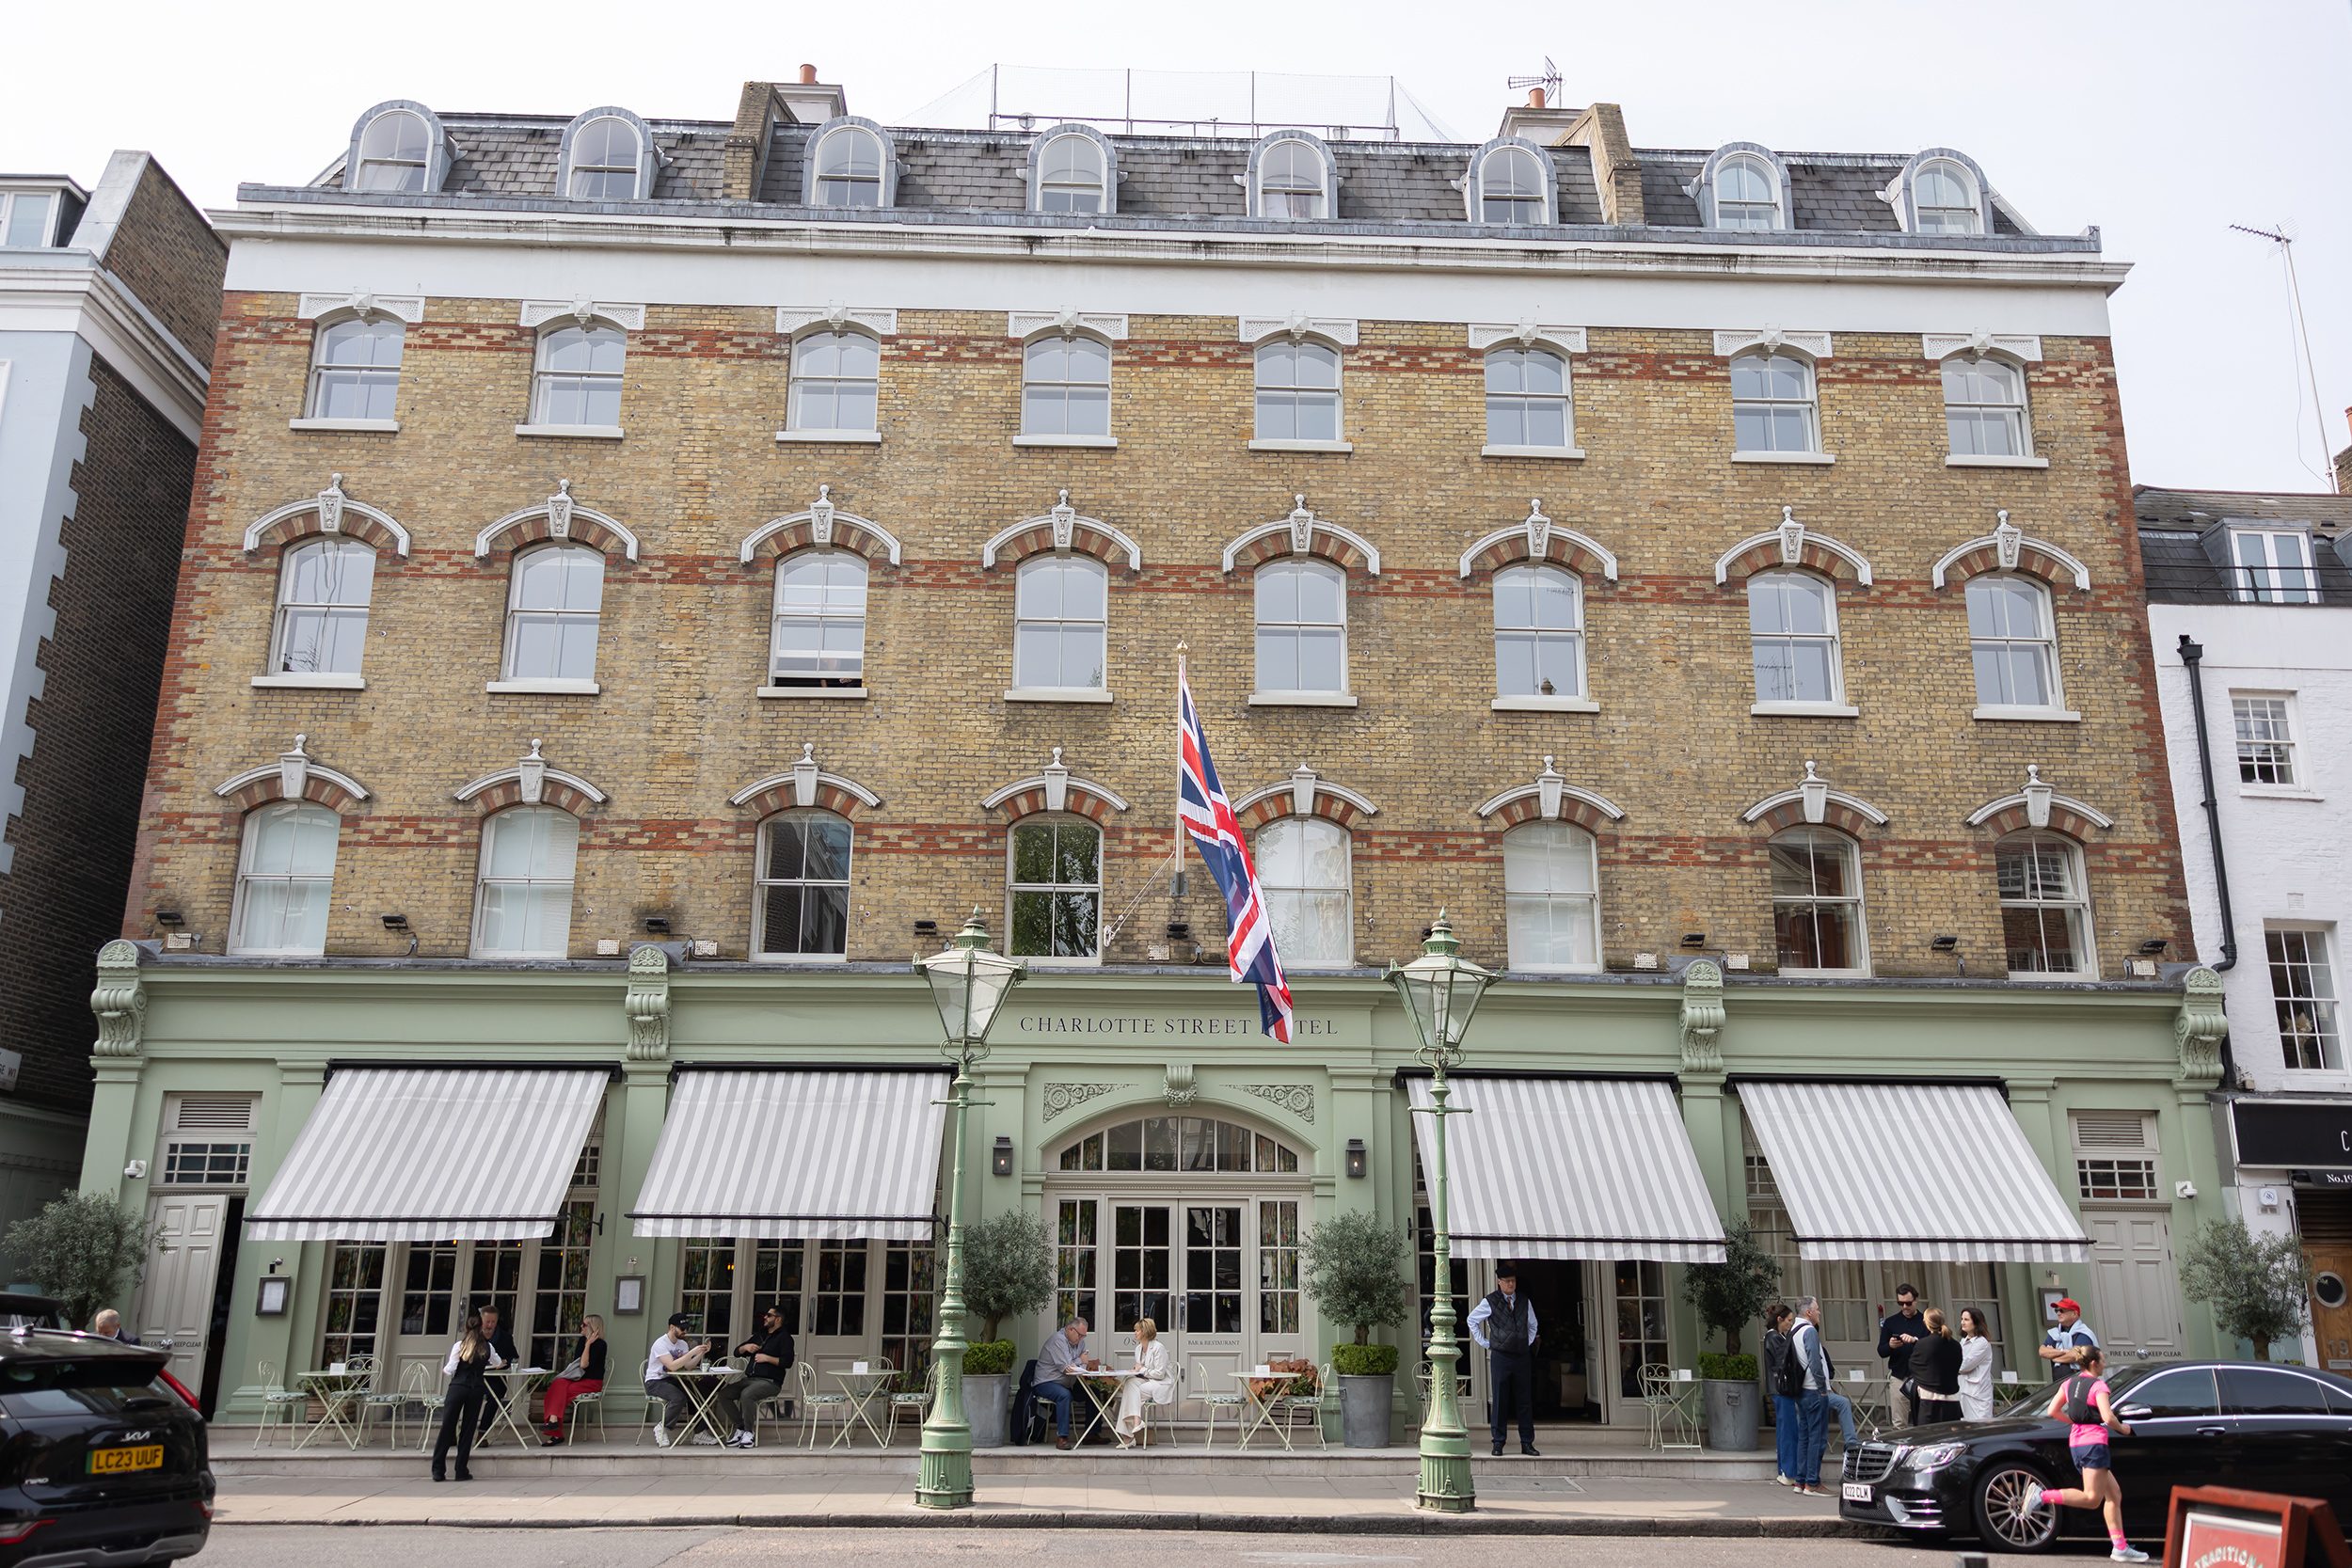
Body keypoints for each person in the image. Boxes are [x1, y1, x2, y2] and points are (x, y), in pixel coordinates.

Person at [2024, 1345, 2148, 1562]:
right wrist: (2124, 1429)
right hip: (2093, 1443)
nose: (2105, 1364)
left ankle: (2120, 1547)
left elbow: (2053, 1410)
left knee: (2114, 1494)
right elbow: (2108, 1418)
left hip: (2077, 1442)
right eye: (2102, 1360)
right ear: (2093, 1363)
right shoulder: (2099, 1386)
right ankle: (2042, 1496)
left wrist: (2075, 1422)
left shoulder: (2069, 1383)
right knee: (2091, 1498)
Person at [1466, 1261, 1539, 1457]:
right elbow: (1472, 1320)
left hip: (1521, 1356)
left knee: (1524, 1400)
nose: (1511, 1284)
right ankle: (1498, 1442)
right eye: (1507, 1281)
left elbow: (1533, 1325)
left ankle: (1527, 1443)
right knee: (1500, 1399)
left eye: (1513, 1281)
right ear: (1499, 1282)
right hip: (1501, 1356)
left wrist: (1526, 1343)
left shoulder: (1524, 1300)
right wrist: (1485, 1343)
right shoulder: (1490, 1301)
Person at [431, 1307, 502, 1482]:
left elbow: (449, 1369)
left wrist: (445, 1370)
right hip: (476, 1389)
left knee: (448, 1427)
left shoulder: (460, 1345)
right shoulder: (488, 1347)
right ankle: (461, 1470)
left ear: (467, 1329)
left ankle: (438, 1470)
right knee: (468, 1430)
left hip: (458, 1387)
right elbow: (498, 1362)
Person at [723, 1303, 795, 1449]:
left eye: (769, 1315)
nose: (765, 1317)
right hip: (750, 1379)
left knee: (747, 1394)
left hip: (770, 1382)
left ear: (778, 1319)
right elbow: (736, 1352)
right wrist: (745, 1347)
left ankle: (749, 1432)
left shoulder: (785, 1338)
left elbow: (788, 1362)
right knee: (724, 1394)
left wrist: (767, 1358)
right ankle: (740, 1427)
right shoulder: (760, 1335)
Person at [644, 1312, 716, 1447]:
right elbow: (671, 1366)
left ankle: (700, 1432)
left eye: (687, 1328)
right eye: (682, 1328)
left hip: (673, 1380)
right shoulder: (660, 1344)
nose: (685, 1331)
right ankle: (662, 1427)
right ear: (672, 1327)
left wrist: (701, 1353)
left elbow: (688, 1366)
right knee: (678, 1398)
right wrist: (692, 1352)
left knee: (701, 1393)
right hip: (655, 1381)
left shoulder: (682, 1344)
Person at [539, 1313, 607, 1445]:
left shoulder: (600, 1345)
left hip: (592, 1382)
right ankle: (553, 1423)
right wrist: (585, 1343)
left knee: (560, 1392)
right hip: (578, 1379)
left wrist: (588, 1345)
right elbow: (577, 1363)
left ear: (593, 1327)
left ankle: (555, 1433)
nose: (581, 1326)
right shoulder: (581, 1341)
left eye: (584, 1325)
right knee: (557, 1384)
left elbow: (583, 1365)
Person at [1788, 1295, 1832, 1497]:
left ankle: (1800, 1480)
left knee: (1804, 1437)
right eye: (1817, 1309)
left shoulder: (1793, 1330)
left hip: (1800, 1390)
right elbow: (1815, 1361)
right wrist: (1823, 1388)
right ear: (1808, 1312)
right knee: (1817, 1437)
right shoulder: (1809, 1331)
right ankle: (1812, 1482)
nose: (1819, 1312)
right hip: (1813, 1390)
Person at [1035, 1318, 1098, 1451]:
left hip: (1068, 1382)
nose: (1081, 1339)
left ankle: (1092, 1433)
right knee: (1064, 1395)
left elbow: (1082, 1365)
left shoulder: (1080, 1342)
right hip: (1047, 1382)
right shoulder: (1058, 1340)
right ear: (1070, 1329)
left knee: (1094, 1392)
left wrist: (1080, 1363)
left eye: (1084, 1336)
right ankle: (1062, 1438)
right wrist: (1080, 1360)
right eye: (1079, 1335)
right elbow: (1066, 1367)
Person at [1113, 1318, 1174, 1446]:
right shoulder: (1138, 1349)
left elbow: (1160, 1374)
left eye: (1137, 1330)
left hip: (1160, 1383)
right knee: (1130, 1382)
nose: (1135, 1333)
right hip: (1147, 1380)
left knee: (1131, 1393)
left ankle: (1128, 1436)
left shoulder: (1158, 1348)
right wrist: (1135, 1371)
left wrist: (1141, 1369)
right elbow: (1141, 1370)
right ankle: (1136, 1422)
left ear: (1145, 1332)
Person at [1875, 1283, 1928, 1429]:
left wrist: (1915, 1341)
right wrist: (1890, 1346)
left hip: (1922, 1377)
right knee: (1899, 1423)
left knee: (1924, 1422)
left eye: (1908, 1303)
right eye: (1901, 1303)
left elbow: (1933, 1347)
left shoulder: (1925, 1321)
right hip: (1899, 1375)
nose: (1905, 1307)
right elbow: (1881, 1351)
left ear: (1916, 1300)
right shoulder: (1891, 1322)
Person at [1762, 1305, 1798, 1485]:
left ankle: (1785, 1470)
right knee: (1788, 1430)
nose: (1790, 1324)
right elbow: (1783, 1363)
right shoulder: (1776, 1337)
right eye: (1789, 1320)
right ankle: (1788, 1471)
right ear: (1779, 1319)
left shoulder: (1773, 1336)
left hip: (1777, 1389)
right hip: (1782, 1389)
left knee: (1784, 1429)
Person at [1912, 1307, 1963, 1425]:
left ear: (1926, 1323)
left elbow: (1914, 1366)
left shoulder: (1923, 1344)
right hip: (1952, 1396)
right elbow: (1957, 1365)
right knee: (1950, 1434)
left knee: (1928, 1434)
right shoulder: (1955, 1345)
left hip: (1929, 1397)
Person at [476, 1302, 520, 1419]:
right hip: (476, 1376)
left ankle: (484, 1427)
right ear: (481, 1320)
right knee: (470, 1393)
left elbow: (514, 1357)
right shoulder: (474, 1336)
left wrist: (505, 1362)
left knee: (496, 1393)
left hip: (496, 1376)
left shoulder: (505, 1338)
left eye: (493, 1322)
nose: (490, 1325)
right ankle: (468, 1427)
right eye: (487, 1322)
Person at [1957, 1307, 1996, 1421]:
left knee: (1980, 1426)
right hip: (1963, 1391)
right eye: (1962, 1319)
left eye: (1966, 1319)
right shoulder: (1963, 1341)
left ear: (1976, 1322)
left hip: (1978, 1395)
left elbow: (1964, 1366)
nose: (1962, 1322)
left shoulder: (1982, 1343)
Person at [2040, 1298, 2099, 1370]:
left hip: (2080, 1376)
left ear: (2074, 1314)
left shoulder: (2084, 1333)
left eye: (2062, 1310)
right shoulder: (2056, 1333)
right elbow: (2042, 1351)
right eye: (2056, 1310)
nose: (2058, 1313)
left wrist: (2054, 1358)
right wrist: (2063, 1351)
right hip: (2059, 1377)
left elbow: (2075, 1355)